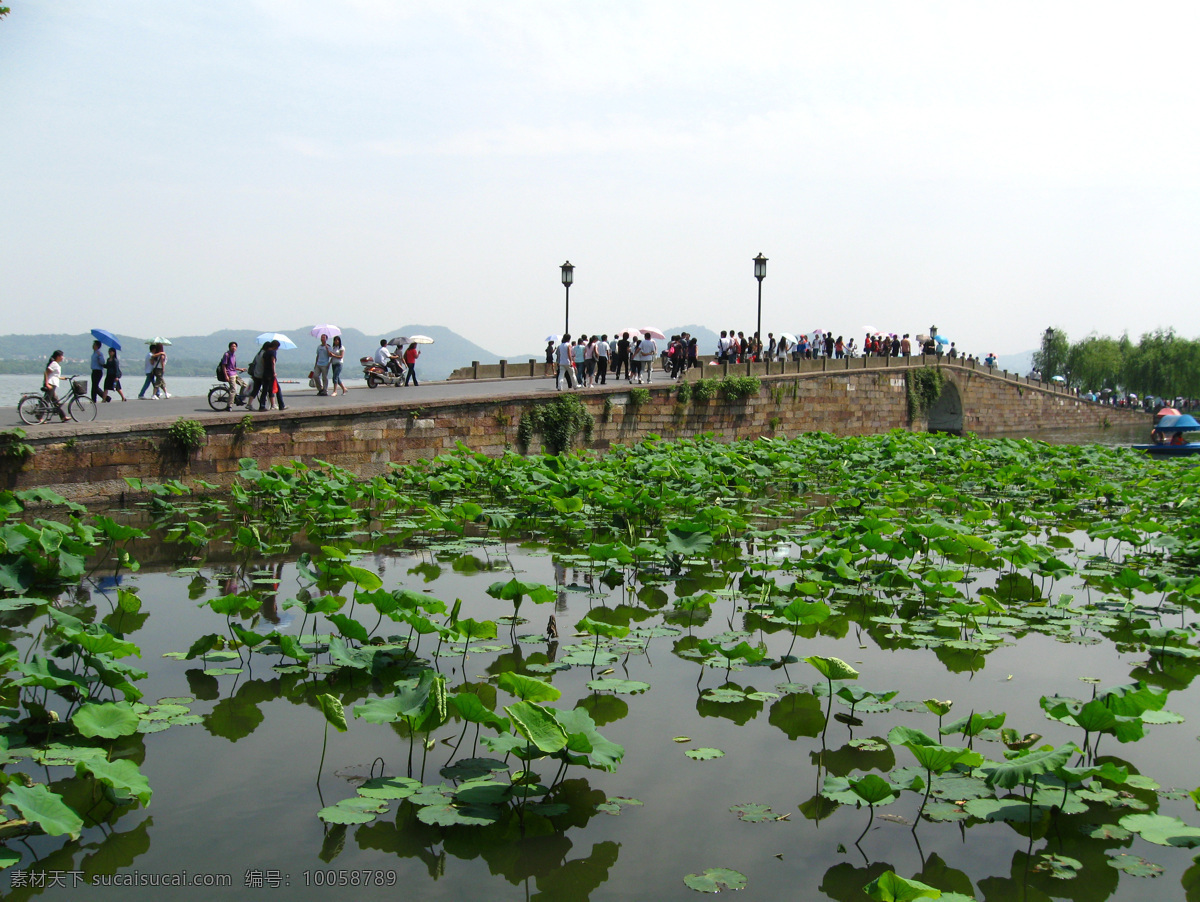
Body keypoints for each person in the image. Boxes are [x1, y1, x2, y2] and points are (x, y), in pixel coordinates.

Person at [257, 340, 285, 411]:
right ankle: (281, 405)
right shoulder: (273, 352)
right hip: (271, 374)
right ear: (275, 346)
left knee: (265, 390)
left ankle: (262, 406)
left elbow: (263, 362)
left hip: (265, 373)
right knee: (277, 389)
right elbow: (273, 362)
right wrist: (274, 372)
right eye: (277, 347)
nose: (278, 349)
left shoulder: (265, 353)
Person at [44, 350, 67, 421]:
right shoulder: (54, 364)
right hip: (51, 384)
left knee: (56, 402)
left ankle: (63, 417)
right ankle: (39, 417)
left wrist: (62, 378)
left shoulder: (56, 364)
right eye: (62, 356)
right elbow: (46, 373)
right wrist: (46, 383)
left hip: (53, 383)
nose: (63, 357)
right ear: (58, 357)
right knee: (46, 401)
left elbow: (54, 375)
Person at [218, 341, 242, 406]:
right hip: (230, 374)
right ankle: (229, 405)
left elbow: (233, 367)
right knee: (233, 390)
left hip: (234, 373)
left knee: (244, 385)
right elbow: (224, 366)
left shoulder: (233, 355)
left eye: (235, 346)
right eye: (232, 346)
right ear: (229, 347)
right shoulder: (227, 354)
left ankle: (239, 399)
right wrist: (226, 375)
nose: (234, 347)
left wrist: (240, 369)